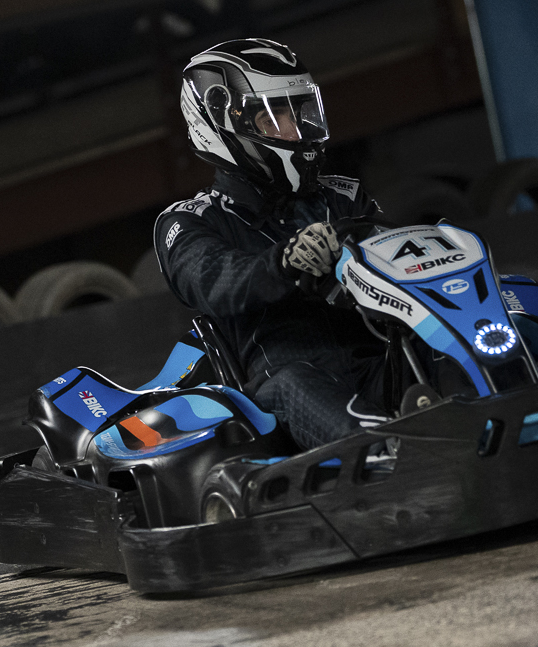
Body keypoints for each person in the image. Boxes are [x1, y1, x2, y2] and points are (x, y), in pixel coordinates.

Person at [153, 38, 387, 451]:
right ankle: (384, 453)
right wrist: (285, 262)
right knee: (295, 383)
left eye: (299, 114)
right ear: (223, 125)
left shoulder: (342, 198)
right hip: (284, 389)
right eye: (272, 117)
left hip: (375, 363)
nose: (295, 132)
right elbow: (217, 281)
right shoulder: (189, 222)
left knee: (446, 348)